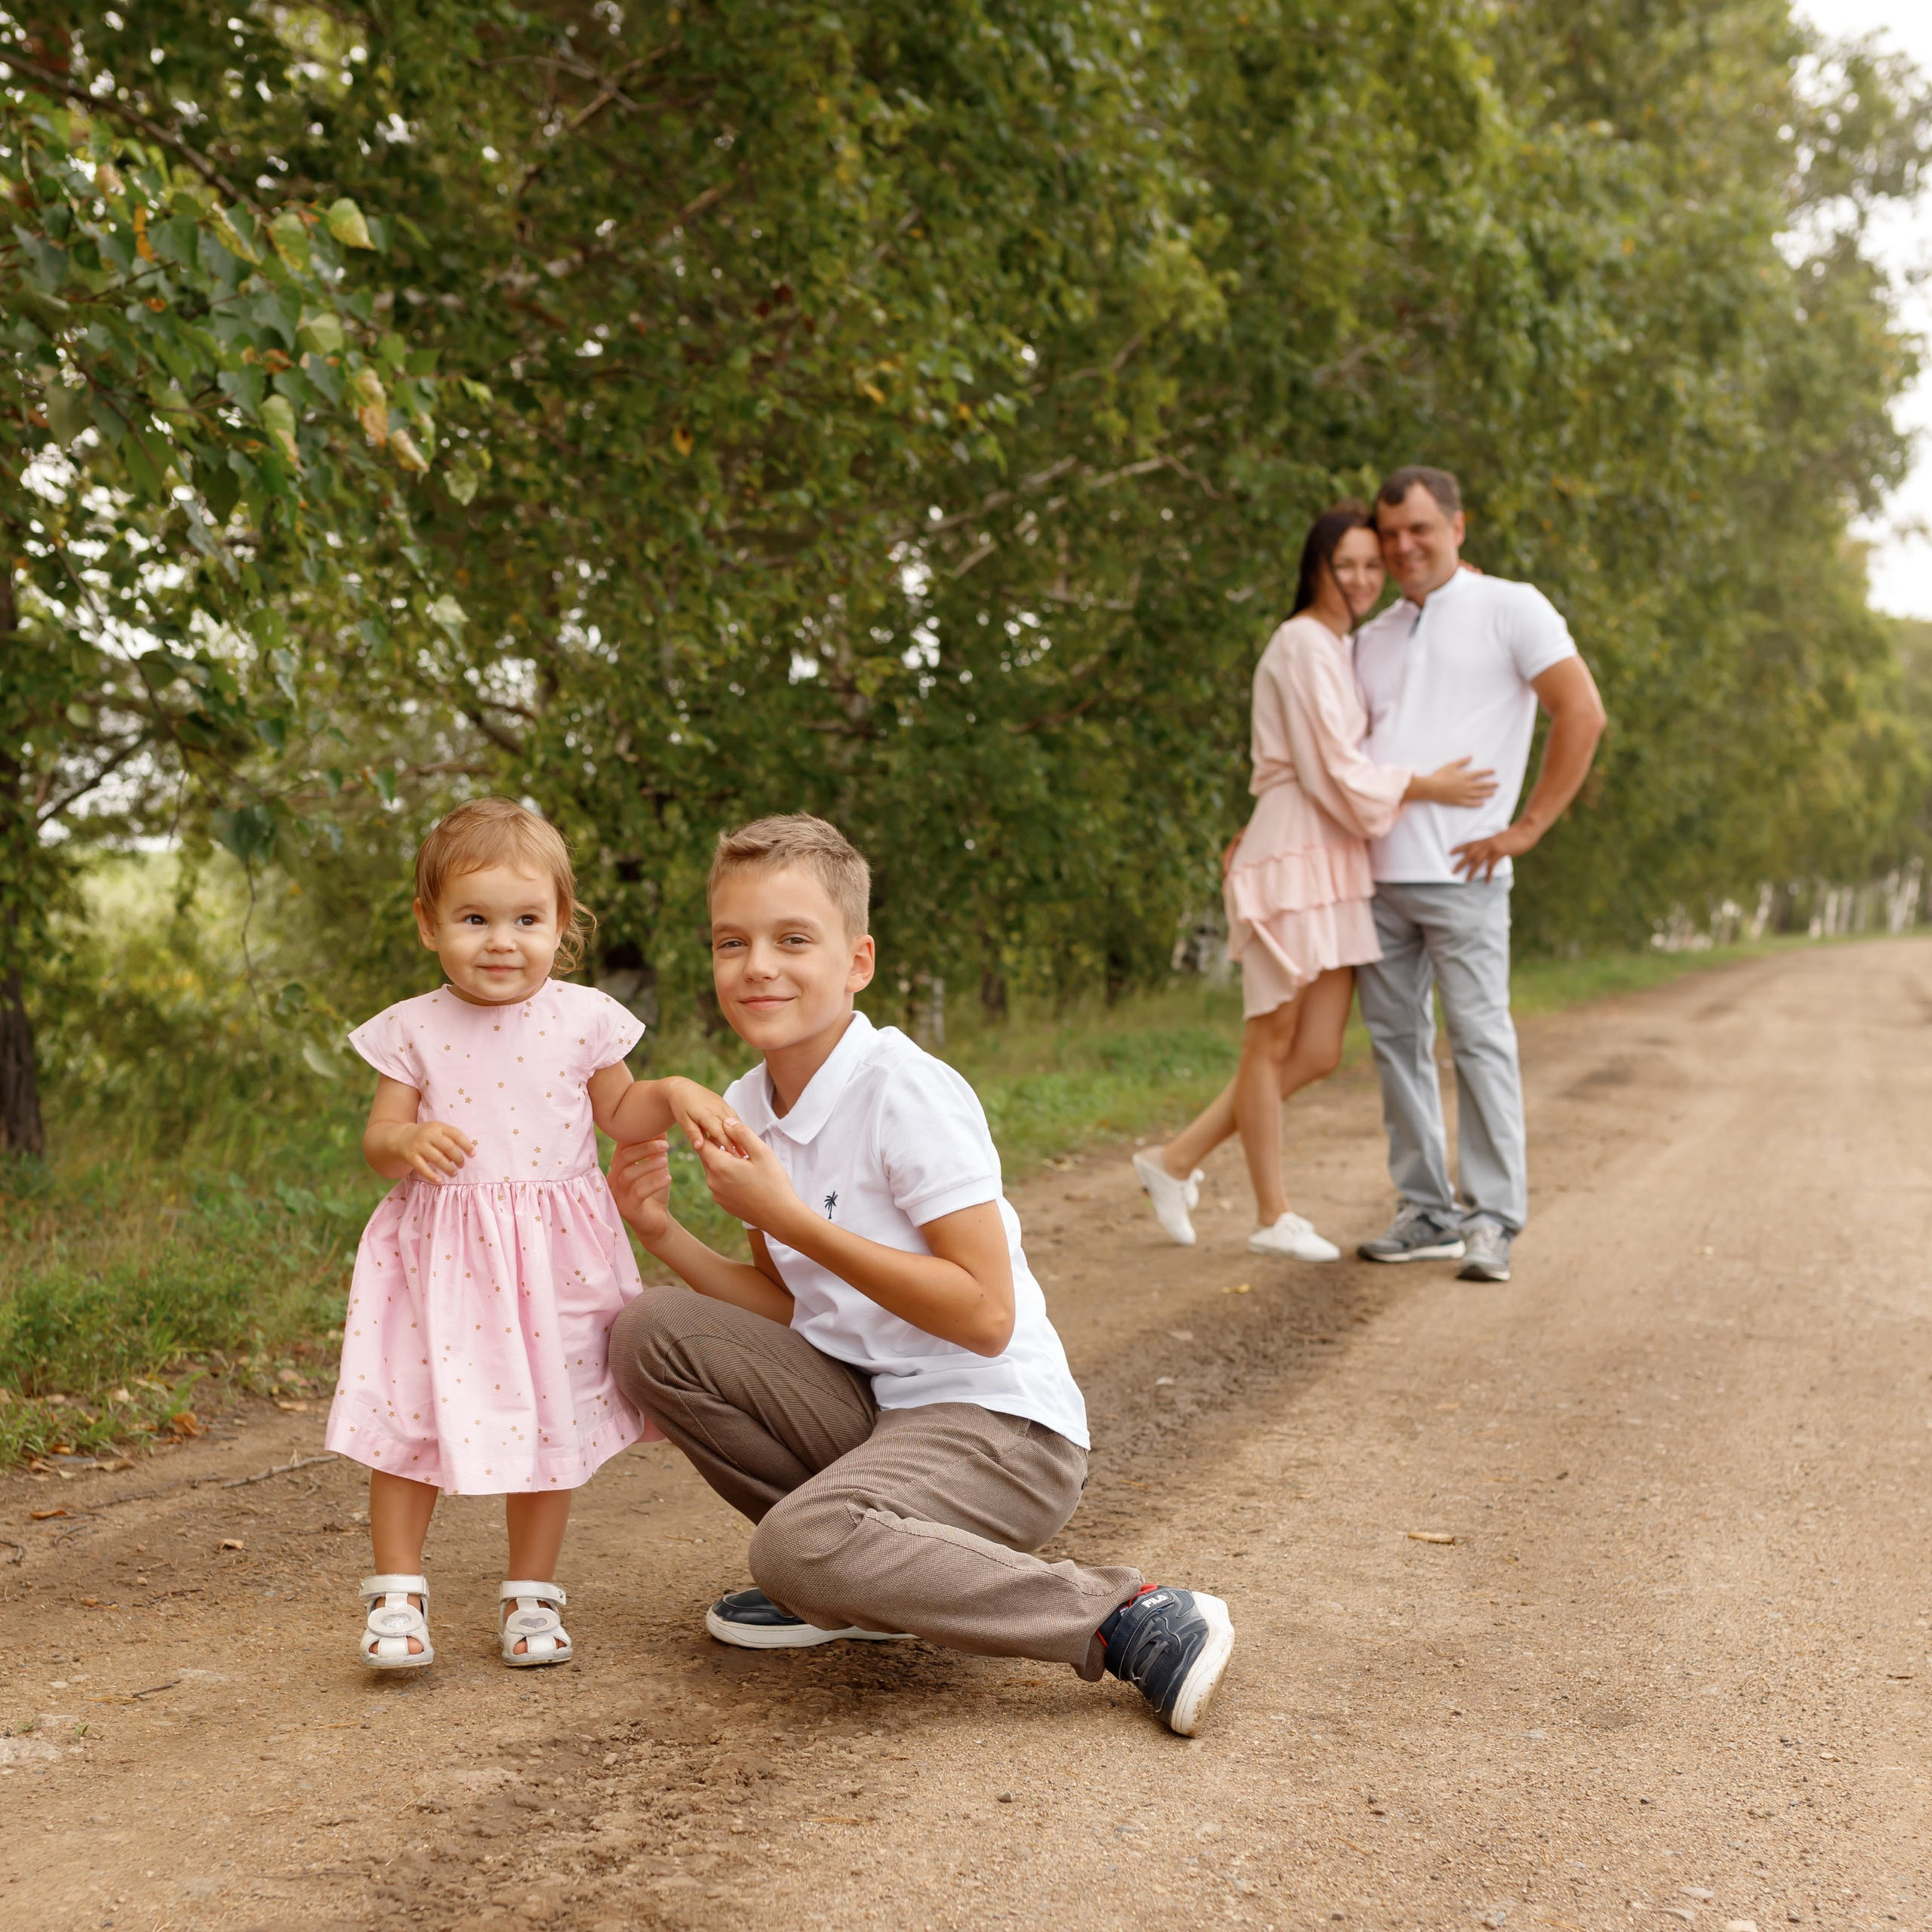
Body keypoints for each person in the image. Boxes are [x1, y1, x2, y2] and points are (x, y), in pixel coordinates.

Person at [604, 814, 1235, 1737]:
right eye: (730, 943)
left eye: (792, 940)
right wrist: (662, 1233)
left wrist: (785, 1217)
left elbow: (984, 1315)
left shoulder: (905, 1090)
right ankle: (862, 1581)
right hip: (878, 1414)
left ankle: (1127, 1613)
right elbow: (795, 1310)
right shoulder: (747, 1105)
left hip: (1001, 1429)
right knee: (647, 1331)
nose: (757, 966)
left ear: (857, 961)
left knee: (791, 1546)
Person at [328, 797, 734, 1672]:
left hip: (551, 1256)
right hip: (440, 1257)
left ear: (562, 926)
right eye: (474, 919)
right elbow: (377, 1140)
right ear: (429, 925)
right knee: (408, 1414)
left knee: (549, 1421)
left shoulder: (584, 1019)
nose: (501, 940)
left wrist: (676, 1094)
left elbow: (623, 1112)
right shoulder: (413, 1027)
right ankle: (397, 1595)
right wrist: (405, 1141)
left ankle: (530, 1596)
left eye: (526, 919)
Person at [1131, 502, 1496, 1258]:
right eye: (1346, 565)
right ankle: (1272, 1215)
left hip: (1334, 852)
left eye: (1372, 565)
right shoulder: (1300, 642)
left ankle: (1172, 1160)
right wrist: (1425, 786)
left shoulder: (1340, 644)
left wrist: (1468, 594)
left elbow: (1405, 660)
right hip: (1297, 842)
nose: (1361, 579)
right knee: (1268, 1037)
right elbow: (1332, 767)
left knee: (1320, 1047)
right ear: (1315, 569)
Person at [1352, 466, 1607, 1283]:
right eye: (1389, 534)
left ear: (1457, 527)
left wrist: (1527, 827)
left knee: (1480, 1040)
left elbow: (1582, 710)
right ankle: (1425, 1209)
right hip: (1377, 875)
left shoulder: (1512, 606)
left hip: (1465, 871)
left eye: (1419, 529)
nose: (1402, 547)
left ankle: (1491, 1218)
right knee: (1396, 1047)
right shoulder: (1373, 632)